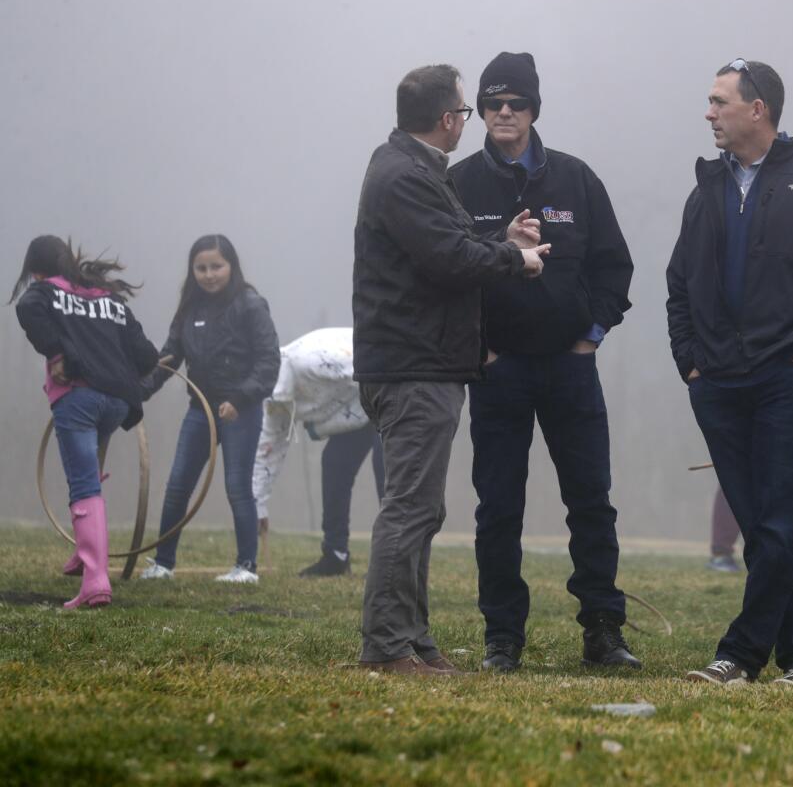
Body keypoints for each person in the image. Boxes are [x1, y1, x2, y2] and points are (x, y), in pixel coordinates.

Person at [667, 59, 793, 686]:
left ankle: (741, 653)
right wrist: (691, 361)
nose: (708, 113)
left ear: (758, 109)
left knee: (781, 522)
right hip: (718, 384)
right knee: (763, 529)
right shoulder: (704, 189)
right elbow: (678, 283)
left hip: (791, 379)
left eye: (719, 102)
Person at [353, 63, 550, 676]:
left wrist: (504, 240)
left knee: (422, 508)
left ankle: (413, 640)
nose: (470, 120)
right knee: (410, 507)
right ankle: (387, 647)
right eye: (467, 111)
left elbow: (447, 241)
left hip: (423, 363)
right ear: (447, 119)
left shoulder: (409, 169)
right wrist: (517, 260)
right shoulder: (405, 175)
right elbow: (448, 258)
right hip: (414, 367)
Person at [449, 52, 639, 672]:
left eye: (517, 103)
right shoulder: (457, 185)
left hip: (570, 367)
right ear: (479, 109)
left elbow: (615, 267)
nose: (505, 113)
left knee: (591, 500)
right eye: (493, 103)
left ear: (535, 110)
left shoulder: (576, 179)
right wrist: (480, 348)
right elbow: (442, 277)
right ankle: (502, 638)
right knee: (497, 506)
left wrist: (591, 333)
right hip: (497, 371)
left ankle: (604, 631)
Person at [13, 236, 160, 608]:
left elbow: (28, 305)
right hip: (118, 403)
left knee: (82, 484)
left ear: (35, 270)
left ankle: (95, 581)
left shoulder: (44, 291)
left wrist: (58, 352)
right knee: (89, 473)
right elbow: (147, 356)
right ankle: (84, 554)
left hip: (77, 398)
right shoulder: (108, 297)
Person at [140, 234, 280, 584]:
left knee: (237, 486)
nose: (209, 274)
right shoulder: (189, 309)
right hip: (199, 409)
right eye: (201, 268)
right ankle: (162, 564)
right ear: (192, 271)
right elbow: (168, 358)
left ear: (231, 266)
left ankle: (246, 567)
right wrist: (136, 391)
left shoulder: (250, 304)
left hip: (240, 410)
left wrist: (240, 399)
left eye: (216, 266)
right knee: (177, 485)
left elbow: (268, 362)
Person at [252, 327, 384, 577]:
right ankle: (335, 555)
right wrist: (257, 506)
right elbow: (270, 447)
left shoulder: (314, 362)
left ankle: (395, 560)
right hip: (356, 410)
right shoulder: (274, 395)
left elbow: (376, 365)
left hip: (388, 394)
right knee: (334, 464)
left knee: (387, 468)